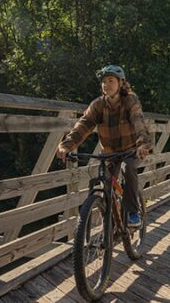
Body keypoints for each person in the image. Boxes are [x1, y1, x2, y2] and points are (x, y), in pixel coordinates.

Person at [57, 65, 153, 228]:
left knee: (128, 168)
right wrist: (66, 146)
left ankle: (132, 212)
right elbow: (83, 125)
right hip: (109, 152)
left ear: (121, 83)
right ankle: (108, 221)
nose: (106, 85)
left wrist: (143, 144)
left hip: (131, 150)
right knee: (105, 183)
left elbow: (139, 122)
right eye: (103, 82)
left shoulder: (130, 100)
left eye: (111, 81)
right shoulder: (98, 105)